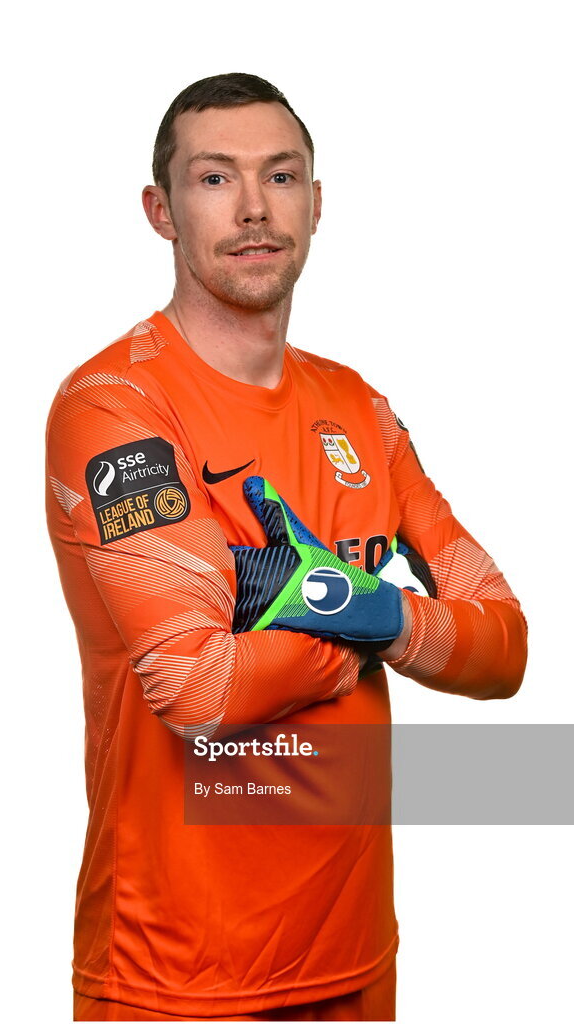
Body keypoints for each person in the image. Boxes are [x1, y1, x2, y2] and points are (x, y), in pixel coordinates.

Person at [45, 72, 527, 1022]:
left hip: (354, 958)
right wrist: (383, 620)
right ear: (161, 210)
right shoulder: (117, 410)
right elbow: (195, 688)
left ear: (316, 202)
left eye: (282, 176)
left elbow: (504, 646)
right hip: (176, 974)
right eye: (215, 178)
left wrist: (338, 603)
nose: (255, 208)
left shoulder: (360, 411)